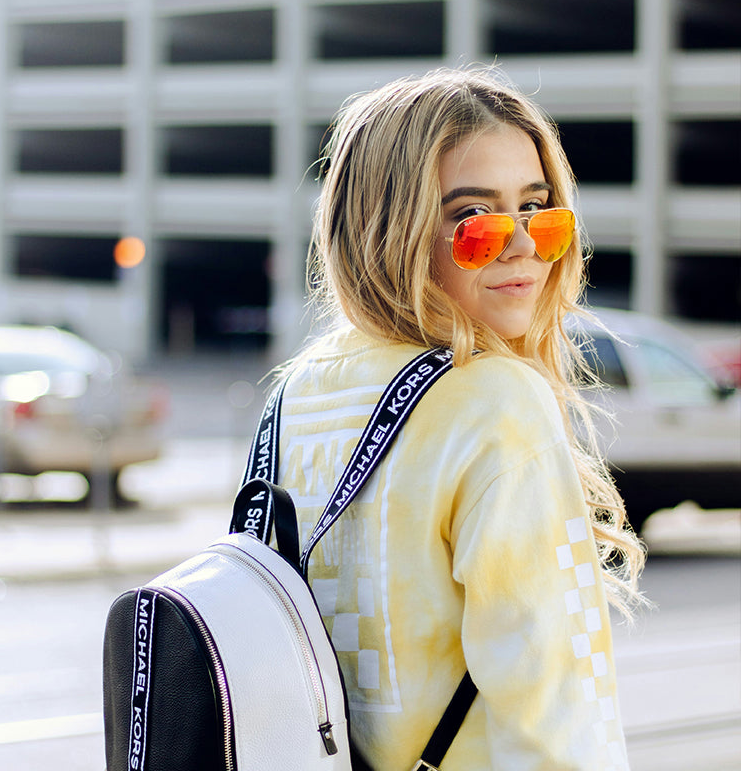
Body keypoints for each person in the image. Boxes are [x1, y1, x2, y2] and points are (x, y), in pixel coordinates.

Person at [273, 66, 645, 770]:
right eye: (474, 221)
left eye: (539, 211)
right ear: (390, 229)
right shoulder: (497, 402)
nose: (524, 247)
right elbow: (554, 715)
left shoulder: (296, 395)